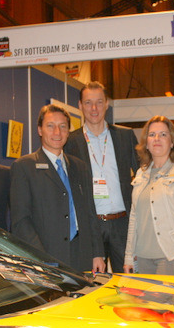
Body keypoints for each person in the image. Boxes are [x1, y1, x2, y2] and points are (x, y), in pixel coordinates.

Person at [10, 104, 105, 273]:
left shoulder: (80, 166)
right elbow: (21, 221)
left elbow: (90, 212)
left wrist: (97, 253)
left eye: (62, 126)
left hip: (82, 254)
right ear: (40, 130)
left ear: (68, 131)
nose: (57, 132)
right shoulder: (24, 167)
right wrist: (40, 258)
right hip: (47, 256)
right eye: (50, 126)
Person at [65, 81, 139, 272]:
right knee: (94, 281)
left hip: (122, 223)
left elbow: (142, 175)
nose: (94, 108)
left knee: (129, 281)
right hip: (91, 225)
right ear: (80, 105)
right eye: (88, 103)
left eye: (99, 102)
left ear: (107, 104)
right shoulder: (70, 142)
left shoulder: (125, 136)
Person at [123, 116, 174, 276]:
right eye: (152, 135)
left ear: (172, 142)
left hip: (172, 256)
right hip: (143, 257)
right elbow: (134, 218)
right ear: (146, 143)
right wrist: (129, 256)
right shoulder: (141, 173)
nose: (157, 138)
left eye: (163, 134)